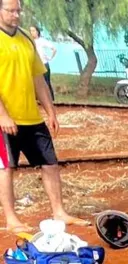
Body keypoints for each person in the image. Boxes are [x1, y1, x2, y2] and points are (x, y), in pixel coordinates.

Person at [1, 0, 88, 235]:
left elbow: (38, 79)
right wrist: (3, 115)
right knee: (6, 168)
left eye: (18, 10)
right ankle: (11, 218)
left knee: (50, 163)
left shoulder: (26, 39)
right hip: (5, 119)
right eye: (10, 10)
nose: (16, 15)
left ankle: (59, 211)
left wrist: (50, 111)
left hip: (31, 116)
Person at [28, 26, 55, 101]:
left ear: (37, 32)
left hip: (43, 64)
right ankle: (37, 99)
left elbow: (54, 49)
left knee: (46, 82)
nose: (31, 32)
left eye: (33, 30)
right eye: (30, 31)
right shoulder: (29, 41)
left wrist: (50, 58)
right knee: (34, 83)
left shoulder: (42, 41)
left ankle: (51, 99)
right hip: (33, 65)